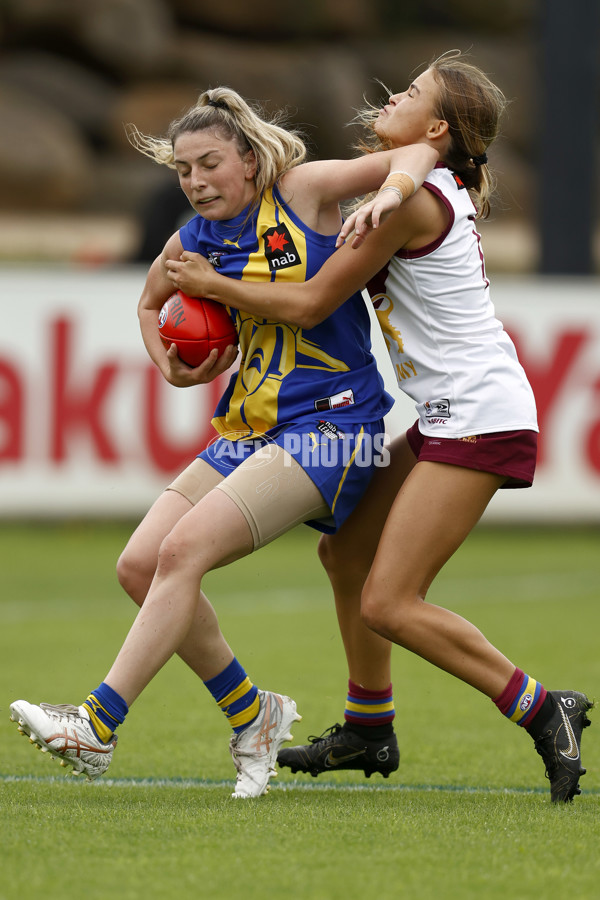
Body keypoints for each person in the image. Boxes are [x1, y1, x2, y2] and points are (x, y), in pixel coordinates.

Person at [161, 51, 593, 803]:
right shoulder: (417, 178)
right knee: (345, 552)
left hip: (478, 418)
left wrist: (209, 284)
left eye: (413, 92)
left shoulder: (413, 203)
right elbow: (410, 158)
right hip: (449, 413)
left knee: (389, 602)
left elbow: (306, 305)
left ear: (435, 126)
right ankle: (369, 726)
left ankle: (540, 705)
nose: (394, 93)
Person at [9, 87, 438, 798]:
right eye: (182, 170)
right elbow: (149, 302)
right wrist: (169, 364)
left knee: (183, 552)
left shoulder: (301, 192)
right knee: (141, 566)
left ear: (248, 160)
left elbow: (420, 151)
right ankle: (254, 715)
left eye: (209, 163)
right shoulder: (194, 236)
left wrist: (391, 192)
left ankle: (96, 725)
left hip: (335, 428)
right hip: (252, 428)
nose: (197, 181)